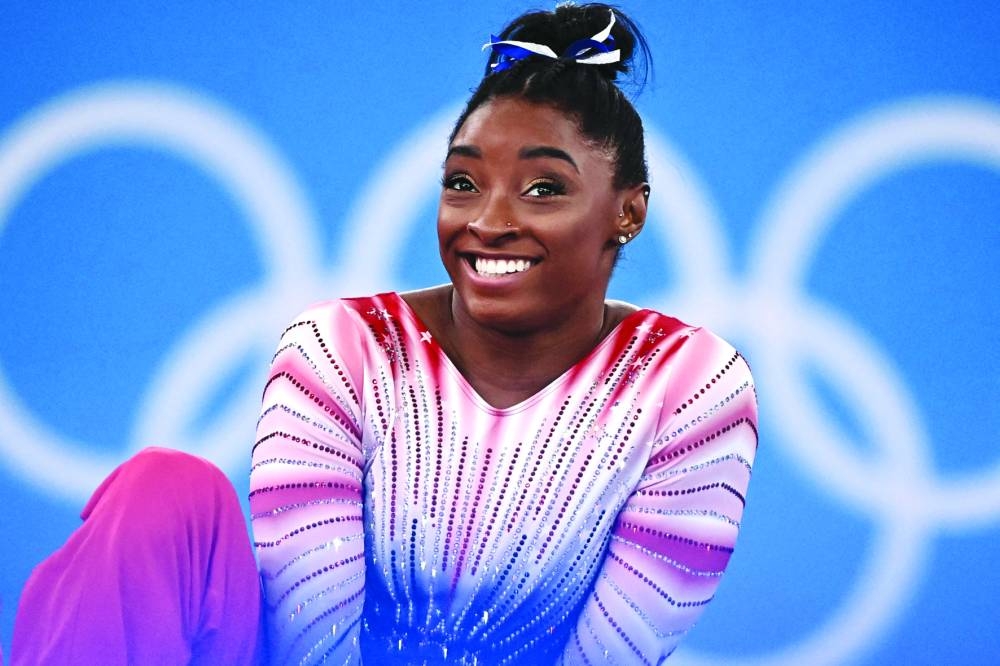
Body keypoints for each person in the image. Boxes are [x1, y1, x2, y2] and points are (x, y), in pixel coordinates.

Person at [249, 3, 758, 665]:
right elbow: (308, 646)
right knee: (168, 492)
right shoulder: (338, 348)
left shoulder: (686, 384)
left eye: (543, 189)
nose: (488, 223)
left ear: (628, 212)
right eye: (462, 182)